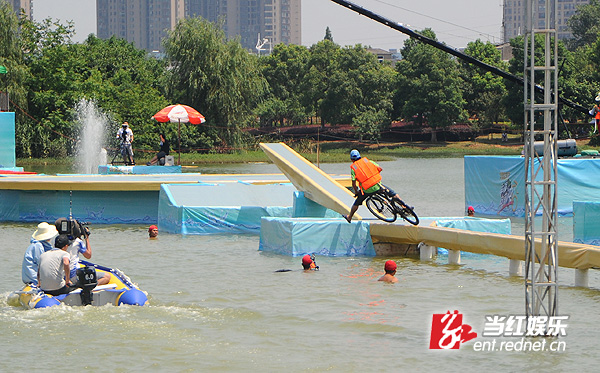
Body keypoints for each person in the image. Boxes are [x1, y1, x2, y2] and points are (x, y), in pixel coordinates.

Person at [343, 149, 402, 223]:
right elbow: (380, 168)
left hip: (366, 189)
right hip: (377, 185)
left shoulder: (354, 168)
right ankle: (405, 207)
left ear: (351, 159)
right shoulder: (368, 161)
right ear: (360, 156)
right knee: (393, 193)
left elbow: (354, 183)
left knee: (357, 203)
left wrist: (356, 192)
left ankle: (349, 217)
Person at [54, 218, 111, 286]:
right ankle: (89, 288)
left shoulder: (55, 240)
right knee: (107, 277)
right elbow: (88, 255)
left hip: (59, 277)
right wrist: (87, 238)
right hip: (74, 276)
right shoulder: (77, 242)